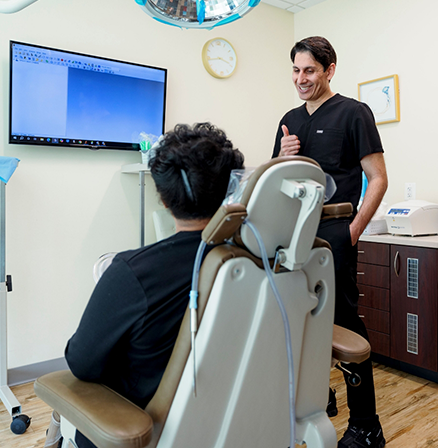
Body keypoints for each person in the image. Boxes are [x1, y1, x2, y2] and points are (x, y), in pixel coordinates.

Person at [64, 122, 245, 448]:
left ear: (162, 197)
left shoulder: (131, 272)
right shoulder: (251, 262)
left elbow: (82, 363)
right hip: (231, 416)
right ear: (227, 190)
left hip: (144, 423)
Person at [271, 37, 388, 448]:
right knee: (298, 320)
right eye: (296, 70)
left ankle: (366, 425)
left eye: (310, 71)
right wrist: (282, 156)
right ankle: (318, 397)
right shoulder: (289, 119)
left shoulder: (353, 113)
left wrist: (353, 229)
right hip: (293, 236)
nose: (301, 79)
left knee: (346, 325)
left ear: (329, 69)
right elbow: (278, 185)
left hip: (335, 233)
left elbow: (378, 178)